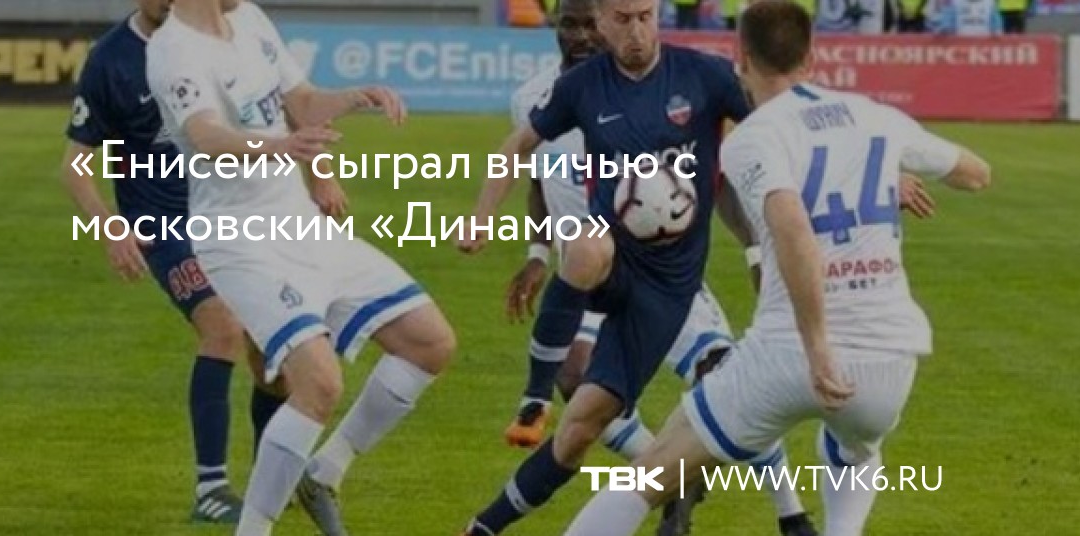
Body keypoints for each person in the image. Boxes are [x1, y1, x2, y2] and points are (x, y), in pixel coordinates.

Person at [562, 2, 991, 535]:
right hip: (887, 359)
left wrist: (818, 348)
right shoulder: (875, 118)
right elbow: (976, 174)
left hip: (790, 353)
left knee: (646, 479)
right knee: (855, 446)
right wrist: (886, 168)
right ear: (812, 57)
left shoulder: (750, 139)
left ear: (741, 59)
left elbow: (791, 227)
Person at [454, 0, 803, 533]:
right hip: (607, 265)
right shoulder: (579, 87)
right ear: (603, 22)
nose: (636, 30)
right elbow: (519, 149)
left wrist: (879, 174)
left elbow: (786, 130)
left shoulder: (703, 76)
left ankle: (486, 524)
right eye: (622, 18)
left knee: (580, 430)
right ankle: (534, 396)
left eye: (645, 16)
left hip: (669, 287)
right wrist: (482, 218)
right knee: (586, 248)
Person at [146, 1, 457, 535]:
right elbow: (206, 136)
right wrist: (281, 146)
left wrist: (356, 97)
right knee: (319, 384)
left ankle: (324, 472)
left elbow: (305, 102)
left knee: (431, 342)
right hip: (239, 240)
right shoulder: (172, 47)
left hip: (302, 225)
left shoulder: (249, 19)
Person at [59, 0, 284, 522]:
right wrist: (110, 226)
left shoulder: (217, 37)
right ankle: (211, 489)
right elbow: (75, 165)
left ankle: (272, 480)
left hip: (233, 215)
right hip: (165, 228)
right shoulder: (111, 59)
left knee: (272, 351)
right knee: (222, 329)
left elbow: (277, 105)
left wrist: (316, 178)